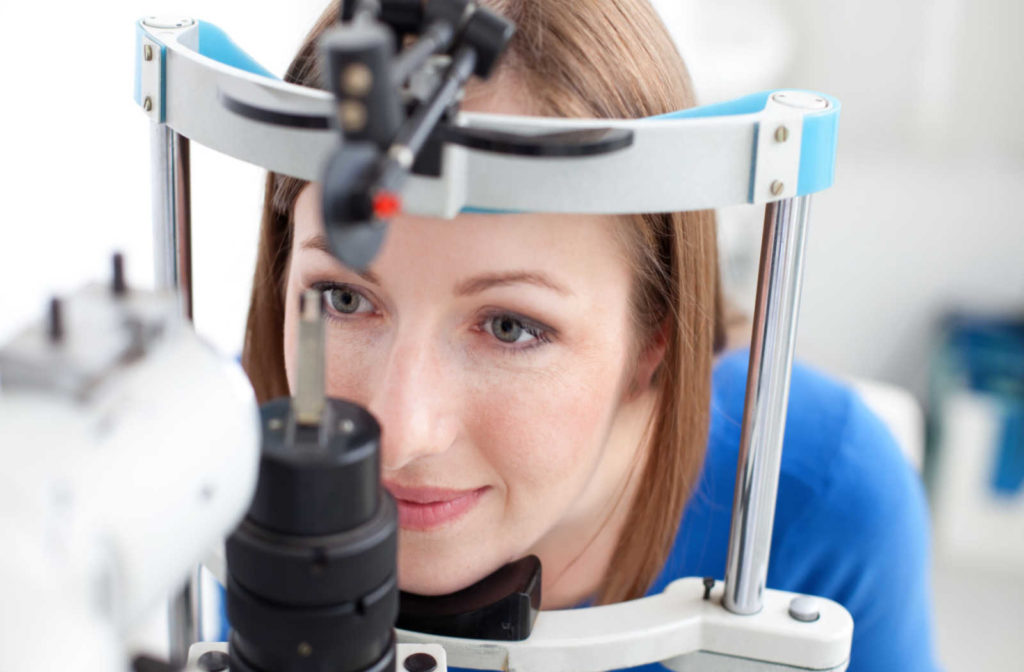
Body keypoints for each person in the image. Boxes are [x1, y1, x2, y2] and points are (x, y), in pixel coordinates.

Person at [241, 1, 939, 669]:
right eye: (343, 298)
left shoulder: (827, 500)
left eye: (510, 328)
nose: (400, 432)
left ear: (655, 337)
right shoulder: (230, 448)